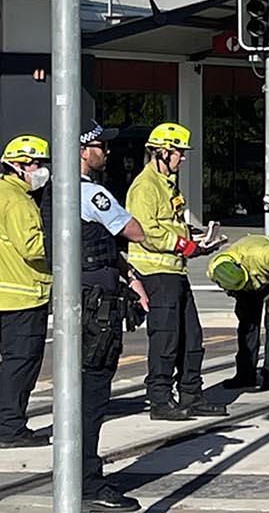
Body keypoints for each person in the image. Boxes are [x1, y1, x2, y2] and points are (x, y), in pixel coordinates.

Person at [75, 120, 155, 511]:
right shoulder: (93, 195)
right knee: (92, 394)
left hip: (83, 299)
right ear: (82, 151)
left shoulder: (53, 194)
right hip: (94, 308)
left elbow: (101, 247)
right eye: (99, 147)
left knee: (84, 392)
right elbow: (133, 230)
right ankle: (87, 481)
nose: (106, 153)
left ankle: (80, 474)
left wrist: (130, 276)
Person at [124, 123, 226, 421]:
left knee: (191, 338)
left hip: (174, 271)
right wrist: (184, 245)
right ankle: (160, 399)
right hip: (155, 272)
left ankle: (191, 393)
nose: (182, 158)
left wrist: (197, 241)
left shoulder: (168, 185)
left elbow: (171, 223)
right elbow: (146, 230)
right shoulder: (145, 187)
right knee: (166, 339)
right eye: (179, 153)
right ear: (162, 152)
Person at [0, 135, 52, 449]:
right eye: (35, 164)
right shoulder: (18, 200)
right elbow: (32, 247)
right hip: (23, 294)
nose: (41, 170)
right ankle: (10, 427)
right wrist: (66, 242)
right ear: (17, 166)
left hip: (7, 291)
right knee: (21, 362)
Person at [205, 235, 269, 391]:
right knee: (247, 326)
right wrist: (240, 296)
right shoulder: (215, 270)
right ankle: (245, 375)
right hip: (245, 285)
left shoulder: (262, 255)